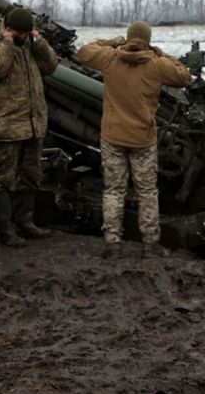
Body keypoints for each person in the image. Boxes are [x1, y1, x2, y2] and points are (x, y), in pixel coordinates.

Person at [77, 20, 192, 258]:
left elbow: (84, 52)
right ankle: (150, 246)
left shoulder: (110, 58)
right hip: (143, 139)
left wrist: (111, 42)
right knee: (147, 192)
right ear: (148, 40)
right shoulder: (158, 65)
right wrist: (163, 54)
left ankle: (112, 244)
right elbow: (184, 76)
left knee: (113, 191)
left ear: (128, 38)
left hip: (113, 136)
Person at [0, 6, 60, 246]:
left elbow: (51, 66)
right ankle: (5, 231)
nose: (24, 37)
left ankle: (26, 222)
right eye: (20, 33)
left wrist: (38, 41)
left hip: (31, 125)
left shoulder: (29, 45)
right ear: (9, 30)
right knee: (5, 179)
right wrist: (8, 44)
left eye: (27, 32)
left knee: (31, 175)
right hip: (6, 126)